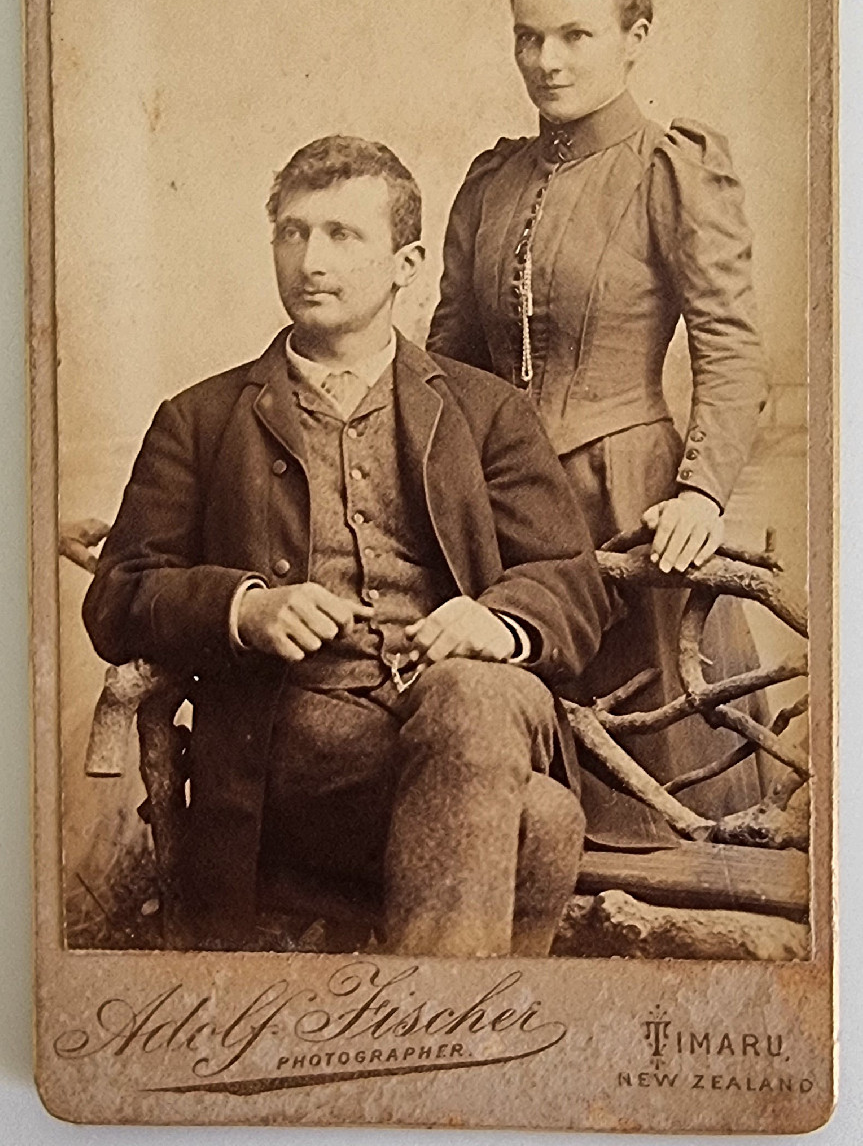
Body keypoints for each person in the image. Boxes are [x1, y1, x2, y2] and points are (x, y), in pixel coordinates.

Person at [82, 135, 611, 955]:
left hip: (467, 712)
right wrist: (242, 606)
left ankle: (420, 1036)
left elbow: (570, 584)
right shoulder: (202, 417)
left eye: (341, 235)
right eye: (291, 233)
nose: (309, 259)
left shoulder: (486, 411)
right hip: (295, 740)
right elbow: (118, 595)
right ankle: (456, 1045)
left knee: (473, 696)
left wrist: (498, 624)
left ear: (407, 263)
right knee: (541, 822)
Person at [427, 0, 770, 847]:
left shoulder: (673, 169)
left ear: (636, 35)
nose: (545, 60)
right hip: (499, 511)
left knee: (655, 786)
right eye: (528, 36)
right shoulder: (490, 183)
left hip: (628, 501)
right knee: (496, 775)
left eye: (574, 35)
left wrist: (699, 490)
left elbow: (732, 349)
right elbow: (445, 362)